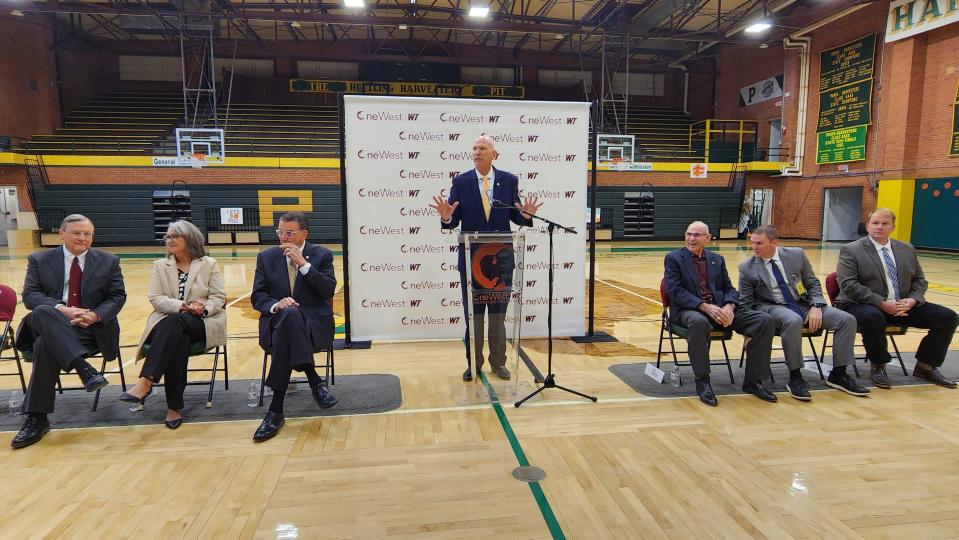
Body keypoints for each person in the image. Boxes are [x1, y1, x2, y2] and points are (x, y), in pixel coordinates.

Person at [429, 135, 541, 382]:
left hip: (501, 260)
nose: (477, 152)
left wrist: (526, 215)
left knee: (498, 316)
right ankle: (474, 363)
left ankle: (498, 363)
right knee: (474, 315)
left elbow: (516, 216)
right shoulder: (461, 181)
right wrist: (446, 217)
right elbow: (453, 220)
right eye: (474, 148)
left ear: (494, 154)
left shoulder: (508, 181)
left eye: (482, 148)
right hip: (472, 260)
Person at [11, 214, 126, 448]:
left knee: (45, 345)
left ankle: (37, 418)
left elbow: (117, 297)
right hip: (49, 320)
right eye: (77, 233)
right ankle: (84, 368)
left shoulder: (109, 261)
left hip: (89, 328)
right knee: (43, 310)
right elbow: (30, 296)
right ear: (61, 234)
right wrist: (64, 310)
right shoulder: (39, 260)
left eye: (87, 234)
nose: (82, 238)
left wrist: (93, 315)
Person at [739, 225, 869, 400]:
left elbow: (813, 283)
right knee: (793, 321)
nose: (754, 247)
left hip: (803, 304)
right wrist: (750, 331)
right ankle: (795, 376)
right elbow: (746, 303)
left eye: (759, 243)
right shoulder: (746, 267)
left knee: (846, 320)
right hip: (772, 307)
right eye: (752, 242)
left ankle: (839, 374)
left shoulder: (797, 255)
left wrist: (816, 305)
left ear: (774, 242)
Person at [836, 208, 959, 389]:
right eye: (875, 223)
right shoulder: (851, 250)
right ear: (868, 227)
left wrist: (913, 300)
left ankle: (926, 365)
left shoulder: (907, 249)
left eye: (885, 224)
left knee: (948, 317)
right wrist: (882, 303)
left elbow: (919, 280)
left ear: (893, 227)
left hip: (902, 305)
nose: (879, 227)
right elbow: (849, 285)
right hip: (862, 303)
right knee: (872, 317)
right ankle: (878, 365)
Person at [123, 221, 227, 429]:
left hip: (201, 322)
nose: (169, 240)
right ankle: (174, 407)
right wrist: (183, 306)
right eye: (167, 237)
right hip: (167, 323)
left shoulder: (209, 264)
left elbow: (218, 297)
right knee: (178, 339)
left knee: (177, 325)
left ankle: (147, 380)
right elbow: (155, 297)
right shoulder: (160, 266)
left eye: (174, 237)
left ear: (189, 239)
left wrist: (202, 308)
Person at [663, 221, 776, 406]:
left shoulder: (717, 259)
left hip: (720, 309)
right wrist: (703, 306)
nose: (691, 238)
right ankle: (703, 381)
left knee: (764, 320)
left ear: (707, 238)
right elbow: (674, 291)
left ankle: (754, 381)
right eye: (689, 234)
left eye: (696, 235)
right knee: (699, 323)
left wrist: (730, 306)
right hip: (688, 310)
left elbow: (729, 288)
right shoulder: (674, 258)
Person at [250, 211, 338, 442]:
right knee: (288, 314)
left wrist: (304, 265)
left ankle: (275, 411)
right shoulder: (266, 257)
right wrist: (277, 304)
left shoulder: (321, 255)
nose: (283, 237)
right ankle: (315, 381)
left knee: (291, 320)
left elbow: (327, 291)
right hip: (277, 321)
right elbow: (258, 297)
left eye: (289, 233)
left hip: (312, 325)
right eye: (280, 232)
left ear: (304, 234)